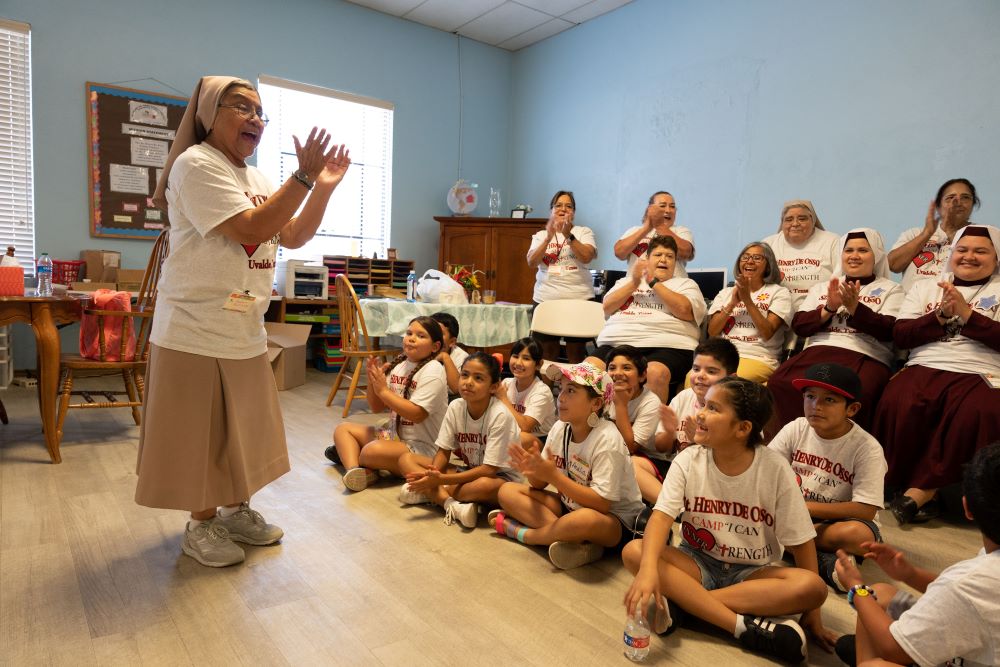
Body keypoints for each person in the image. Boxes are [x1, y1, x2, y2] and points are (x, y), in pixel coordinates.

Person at [135, 76, 351, 567]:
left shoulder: (252, 178)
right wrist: (300, 178)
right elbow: (251, 227)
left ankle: (236, 511)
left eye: (260, 111)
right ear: (211, 114)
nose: (255, 118)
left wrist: (321, 187)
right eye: (242, 107)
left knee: (241, 432)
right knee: (199, 435)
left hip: (244, 329)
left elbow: (291, 234)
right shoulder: (195, 165)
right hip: (194, 327)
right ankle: (201, 523)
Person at [621, 378, 832, 663]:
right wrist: (647, 571)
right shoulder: (689, 459)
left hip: (750, 573)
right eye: (704, 405)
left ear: (743, 428)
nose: (699, 415)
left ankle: (687, 605)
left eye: (713, 409)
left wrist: (813, 614)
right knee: (635, 551)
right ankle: (740, 626)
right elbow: (660, 518)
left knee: (813, 587)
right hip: (696, 561)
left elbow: (803, 542)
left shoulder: (774, 468)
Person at [874, 224, 1000, 526]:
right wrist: (940, 316)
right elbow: (901, 335)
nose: (969, 256)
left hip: (983, 369)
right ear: (952, 253)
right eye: (963, 249)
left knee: (979, 412)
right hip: (926, 362)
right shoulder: (926, 286)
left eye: (981, 251)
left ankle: (925, 491)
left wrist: (969, 317)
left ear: (996, 258)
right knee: (898, 399)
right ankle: (905, 485)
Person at [832, 442, 1000, 667]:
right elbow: (971, 598)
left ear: (967, 508)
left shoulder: (967, 582)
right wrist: (910, 574)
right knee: (880, 594)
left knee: (874, 661)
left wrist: (856, 588)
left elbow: (893, 649)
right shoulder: (979, 576)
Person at [490, 361, 645, 570]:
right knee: (507, 491)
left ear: (596, 404)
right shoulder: (560, 427)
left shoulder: (608, 439)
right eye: (560, 389)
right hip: (571, 507)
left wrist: (554, 477)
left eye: (571, 391)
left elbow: (602, 504)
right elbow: (538, 484)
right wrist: (533, 470)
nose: (561, 397)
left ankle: (529, 535)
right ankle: (577, 542)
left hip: (614, 521)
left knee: (584, 520)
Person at [767, 228, 903, 431]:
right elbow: (800, 325)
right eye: (849, 250)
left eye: (863, 250)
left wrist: (856, 308)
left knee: (860, 392)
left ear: (876, 256)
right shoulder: (824, 287)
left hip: (865, 355)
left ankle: (842, 453)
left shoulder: (891, 289)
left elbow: (889, 331)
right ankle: (790, 442)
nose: (854, 256)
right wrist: (829, 308)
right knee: (779, 382)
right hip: (818, 350)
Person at [768, 363, 888, 593]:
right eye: (810, 396)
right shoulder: (796, 428)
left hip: (835, 521)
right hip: (791, 515)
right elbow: (764, 470)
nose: (816, 406)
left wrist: (804, 508)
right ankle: (828, 564)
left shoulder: (867, 448)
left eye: (829, 400)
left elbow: (865, 510)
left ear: (851, 409)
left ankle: (789, 546)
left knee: (858, 537)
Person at [396, 353, 521, 529]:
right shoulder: (456, 406)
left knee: (483, 485)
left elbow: (489, 470)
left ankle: (429, 493)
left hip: (499, 480)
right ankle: (451, 504)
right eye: (465, 375)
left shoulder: (500, 415)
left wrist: (438, 481)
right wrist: (433, 473)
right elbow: (443, 451)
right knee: (407, 459)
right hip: (469, 472)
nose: (468, 382)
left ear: (493, 387)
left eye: (478, 378)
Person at [329, 316, 448, 492]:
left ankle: (361, 460)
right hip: (395, 437)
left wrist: (384, 391)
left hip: (422, 449)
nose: (412, 338)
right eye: (409, 333)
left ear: (435, 347)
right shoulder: (400, 365)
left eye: (421, 336)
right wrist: (373, 382)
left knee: (371, 451)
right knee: (343, 429)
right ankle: (357, 471)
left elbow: (417, 414)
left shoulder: (434, 370)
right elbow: (377, 407)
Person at [596, 235, 706, 401]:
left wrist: (654, 283)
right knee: (589, 369)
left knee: (654, 373)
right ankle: (600, 423)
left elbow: (684, 310)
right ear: (647, 258)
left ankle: (649, 426)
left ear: (675, 263)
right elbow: (607, 306)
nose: (664, 259)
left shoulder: (685, 284)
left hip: (668, 346)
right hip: (618, 342)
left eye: (670, 256)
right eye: (658, 255)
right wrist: (635, 282)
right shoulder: (625, 282)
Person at [636, 338, 740, 503]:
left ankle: (674, 506)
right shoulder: (684, 397)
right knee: (633, 464)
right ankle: (676, 507)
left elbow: (733, 461)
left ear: (731, 378)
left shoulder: (736, 406)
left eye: (711, 371)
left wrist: (699, 441)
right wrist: (670, 432)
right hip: (679, 469)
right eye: (696, 369)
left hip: (712, 476)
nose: (700, 376)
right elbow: (662, 449)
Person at [526, 191, 598, 363]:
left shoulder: (583, 232)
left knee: (576, 353)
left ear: (574, 212)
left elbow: (587, 257)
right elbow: (531, 262)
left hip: (578, 299)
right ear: (551, 210)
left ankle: (575, 389)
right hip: (546, 300)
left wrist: (568, 234)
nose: (563, 209)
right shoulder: (541, 235)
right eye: (558, 205)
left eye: (568, 206)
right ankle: (546, 390)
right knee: (546, 354)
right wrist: (548, 237)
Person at [706, 242, 793, 383]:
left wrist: (747, 300)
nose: (750, 261)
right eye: (745, 257)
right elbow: (713, 331)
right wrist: (733, 303)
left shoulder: (779, 292)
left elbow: (767, 333)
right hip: (724, 355)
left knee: (723, 383)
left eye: (757, 258)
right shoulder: (726, 293)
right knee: (691, 379)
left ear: (768, 265)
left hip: (758, 357)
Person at [888, 178, 981, 291]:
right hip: (910, 305)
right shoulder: (914, 234)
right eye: (950, 198)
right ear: (938, 206)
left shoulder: (982, 236)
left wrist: (953, 232)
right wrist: (926, 234)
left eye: (965, 197)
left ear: (973, 204)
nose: (958, 202)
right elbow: (893, 265)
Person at [763, 200, 840, 310]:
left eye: (802, 219)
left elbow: (840, 277)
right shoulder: (769, 244)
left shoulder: (832, 241)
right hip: (777, 312)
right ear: (782, 223)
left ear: (813, 221)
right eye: (789, 219)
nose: (795, 224)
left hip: (820, 312)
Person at [613, 191, 695, 278]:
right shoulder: (635, 230)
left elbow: (686, 253)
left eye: (672, 206)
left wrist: (659, 225)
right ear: (650, 209)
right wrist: (646, 228)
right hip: (637, 288)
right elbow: (619, 253)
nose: (668, 210)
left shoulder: (681, 231)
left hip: (672, 287)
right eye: (662, 206)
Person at [495, 337, 556, 449]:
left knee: (520, 437)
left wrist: (503, 399)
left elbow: (525, 427)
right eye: (515, 356)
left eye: (526, 358)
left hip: (539, 439)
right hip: (512, 432)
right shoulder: (507, 383)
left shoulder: (542, 391)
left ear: (538, 364)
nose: (518, 363)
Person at [430, 311, 468, 396]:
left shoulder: (462, 357)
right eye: (430, 332)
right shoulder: (422, 349)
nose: (434, 336)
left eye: (439, 333)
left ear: (452, 341)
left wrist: (445, 357)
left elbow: (457, 389)